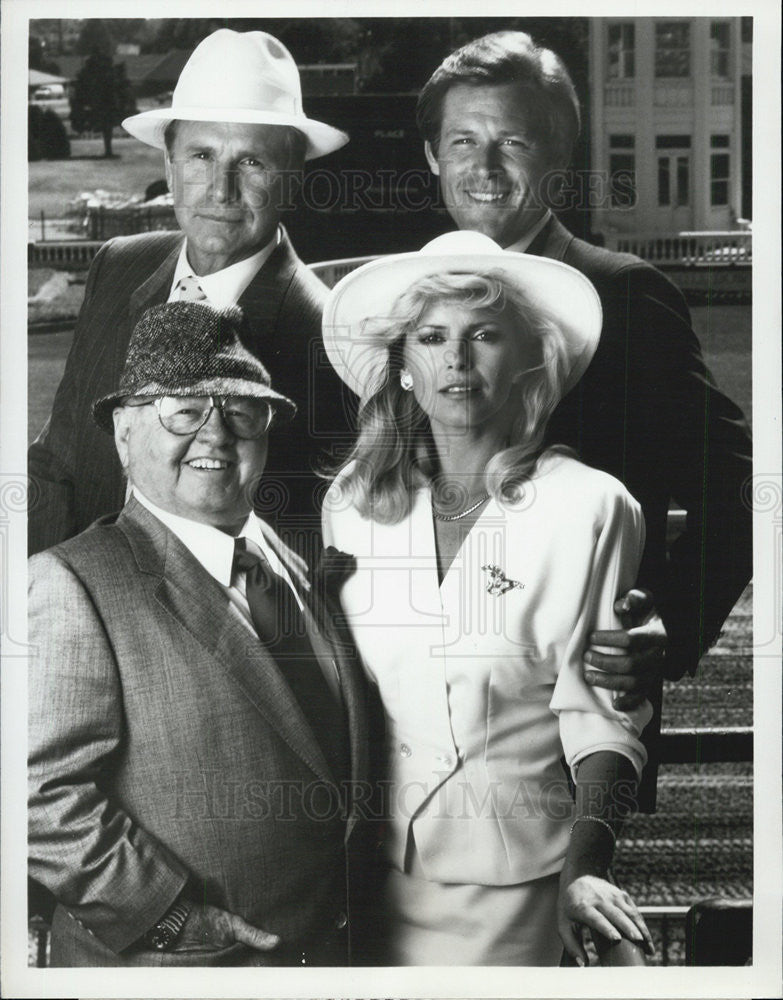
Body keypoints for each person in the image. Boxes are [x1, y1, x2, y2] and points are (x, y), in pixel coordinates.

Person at [415, 31, 753, 805]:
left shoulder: (624, 297)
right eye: (462, 140)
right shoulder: (410, 300)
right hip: (417, 728)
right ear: (433, 157)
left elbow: (736, 488)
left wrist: (666, 627)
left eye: (513, 142)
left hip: (575, 721)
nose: (484, 167)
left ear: (558, 159)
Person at [321, 230, 656, 965]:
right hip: (367, 878)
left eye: (484, 336)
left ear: (528, 361)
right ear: (402, 367)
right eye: (432, 336)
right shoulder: (352, 505)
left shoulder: (590, 507)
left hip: (520, 880)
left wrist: (585, 870)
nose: (456, 359)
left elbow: (600, 715)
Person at [28, 301, 370, 966]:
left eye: (239, 411)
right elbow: (36, 793)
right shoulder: (70, 586)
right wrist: (167, 919)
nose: (216, 435)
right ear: (125, 434)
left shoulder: (285, 563)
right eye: (183, 411)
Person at [28, 29, 354, 559]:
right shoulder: (118, 266)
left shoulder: (334, 342)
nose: (220, 188)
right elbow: (57, 460)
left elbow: (310, 553)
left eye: (251, 162)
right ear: (169, 170)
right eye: (201, 155)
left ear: (292, 179)